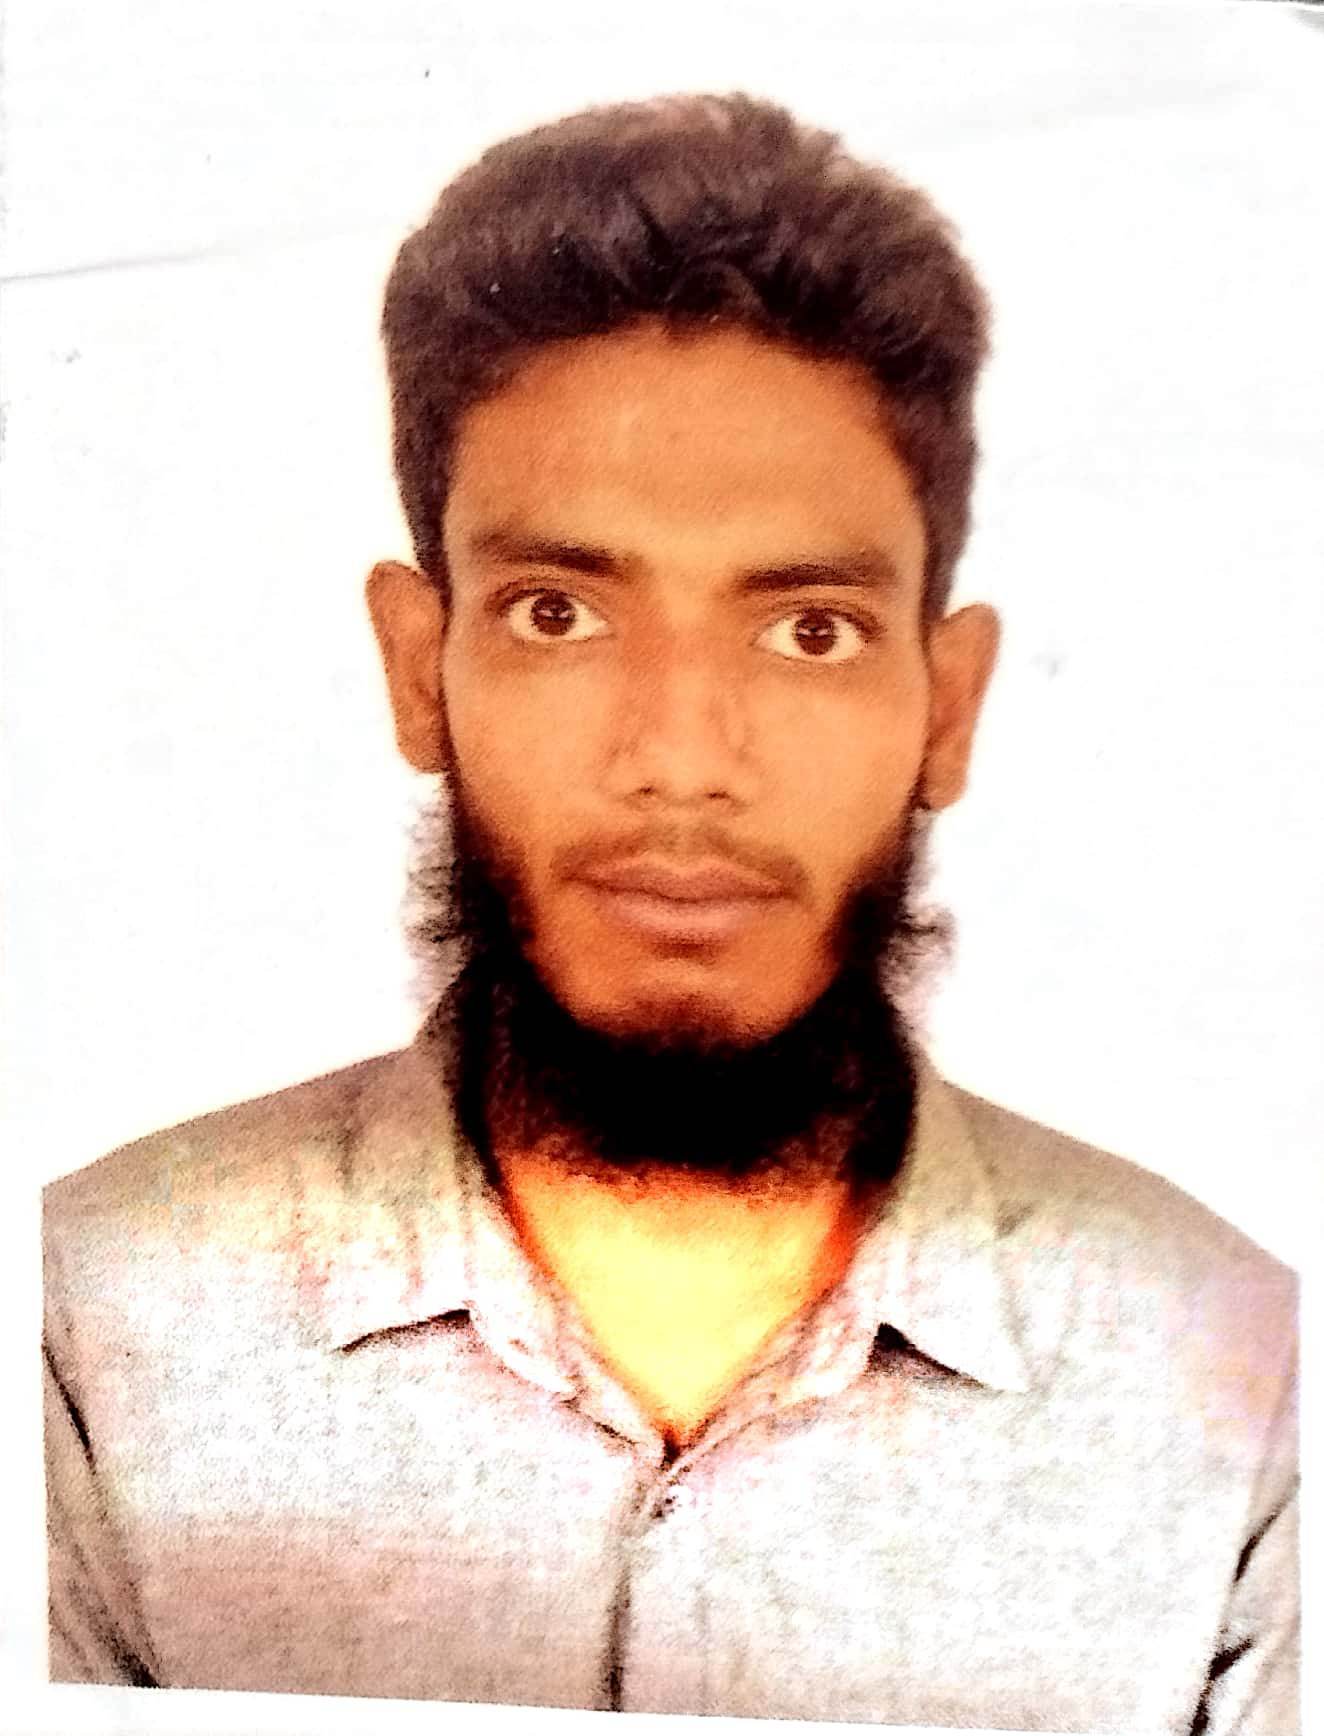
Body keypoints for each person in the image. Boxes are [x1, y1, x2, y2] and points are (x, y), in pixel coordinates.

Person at [42, 93, 1298, 1733]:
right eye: (557, 613)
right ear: (420, 670)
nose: (684, 764)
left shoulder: (1242, 1382)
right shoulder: (82, 1326)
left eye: (810, 630)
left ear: (948, 706)